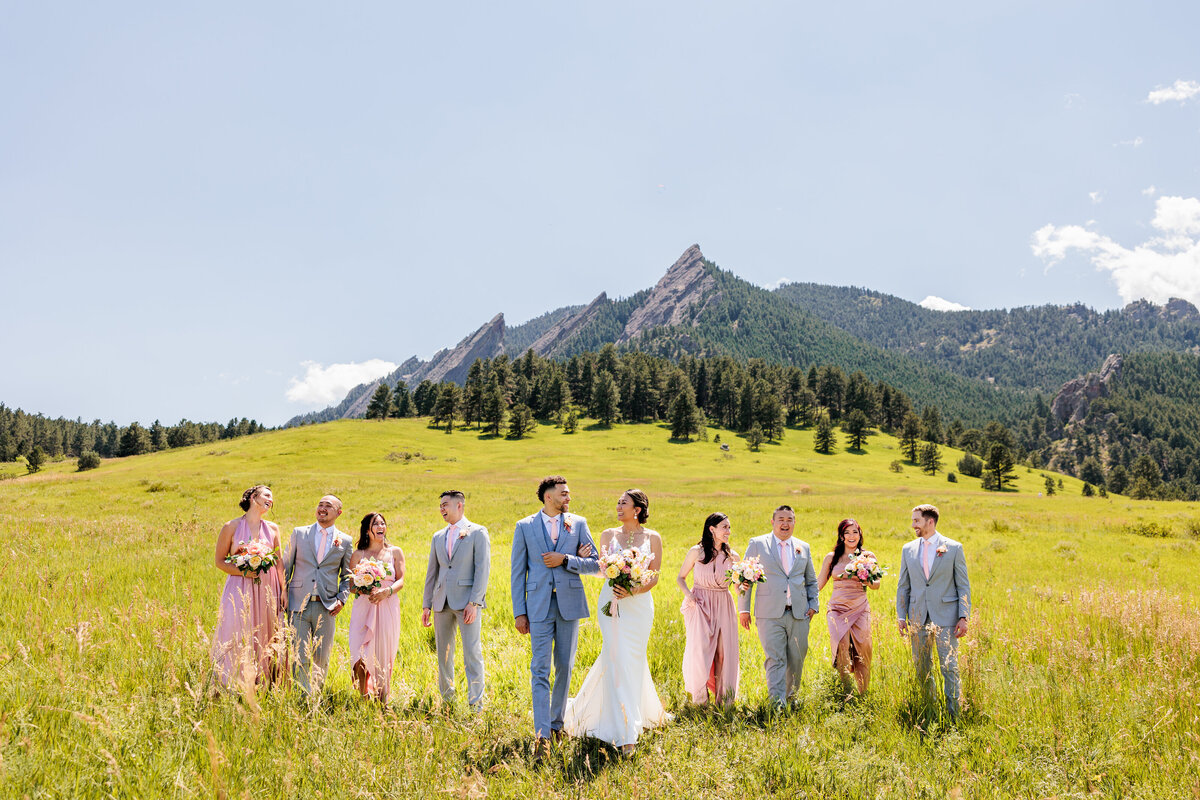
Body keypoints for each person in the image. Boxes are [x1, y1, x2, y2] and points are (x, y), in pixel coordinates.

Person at [564, 489, 670, 754]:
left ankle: (635, 710)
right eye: (618, 502)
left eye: (624, 503)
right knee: (615, 657)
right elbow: (602, 570)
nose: (618, 506)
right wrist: (588, 557)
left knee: (631, 659)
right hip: (610, 602)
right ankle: (626, 733)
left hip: (638, 606)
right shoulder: (608, 535)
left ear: (637, 509)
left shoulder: (653, 537)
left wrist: (632, 590)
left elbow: (654, 577)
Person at [510, 475, 600, 752]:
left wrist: (567, 560)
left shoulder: (579, 524)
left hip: (569, 604)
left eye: (568, 493)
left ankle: (557, 724)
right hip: (537, 605)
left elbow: (596, 564)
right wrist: (519, 612)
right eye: (563, 493)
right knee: (539, 668)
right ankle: (542, 734)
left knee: (565, 666)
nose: (568, 498)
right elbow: (517, 571)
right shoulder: (524, 526)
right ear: (548, 496)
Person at [737, 505, 819, 707]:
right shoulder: (757, 544)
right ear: (773, 522)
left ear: (794, 522)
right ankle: (777, 704)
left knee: (797, 659)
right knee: (775, 658)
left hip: (799, 613)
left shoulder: (803, 547)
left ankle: (791, 699)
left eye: (790, 519)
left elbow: (811, 580)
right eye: (781, 519)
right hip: (769, 613)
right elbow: (745, 577)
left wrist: (813, 605)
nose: (785, 523)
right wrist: (744, 609)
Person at [896, 504, 971, 719]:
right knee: (922, 668)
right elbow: (903, 585)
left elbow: (963, 585)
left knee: (950, 667)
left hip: (947, 616)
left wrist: (964, 616)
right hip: (917, 616)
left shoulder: (954, 548)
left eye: (916, 521)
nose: (913, 525)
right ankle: (930, 709)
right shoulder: (908, 549)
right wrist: (902, 616)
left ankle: (953, 714)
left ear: (930, 521)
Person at [211, 485, 286, 688]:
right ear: (254, 497)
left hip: (267, 587)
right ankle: (233, 680)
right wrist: (244, 571)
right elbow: (220, 561)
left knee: (266, 631)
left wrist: (283, 590)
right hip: (239, 585)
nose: (271, 499)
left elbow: (279, 562)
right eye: (267, 495)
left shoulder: (272, 528)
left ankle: (264, 682)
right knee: (237, 628)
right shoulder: (231, 527)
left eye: (273, 497)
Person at [421, 490, 490, 711]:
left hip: (467, 604)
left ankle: (476, 704)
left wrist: (475, 602)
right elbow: (432, 572)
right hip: (441, 603)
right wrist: (426, 605)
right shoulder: (437, 536)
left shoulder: (477, 532)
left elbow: (482, 569)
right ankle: (448, 702)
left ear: (459, 505)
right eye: (440, 505)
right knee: (444, 655)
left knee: (472, 653)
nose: (442, 508)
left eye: (445, 504)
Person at [283, 494, 353, 696]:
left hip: (327, 604)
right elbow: (286, 566)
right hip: (298, 602)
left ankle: (316, 695)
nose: (322, 508)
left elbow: (347, 576)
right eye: (320, 504)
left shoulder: (345, 541)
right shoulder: (299, 533)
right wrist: (282, 593)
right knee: (300, 653)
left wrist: (342, 598)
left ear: (338, 512)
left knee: (322, 656)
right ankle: (303, 696)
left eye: (328, 505)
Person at [676, 512, 740, 706]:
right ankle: (700, 701)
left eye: (729, 527)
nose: (728, 531)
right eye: (725, 527)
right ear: (712, 529)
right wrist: (690, 595)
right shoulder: (697, 552)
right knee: (700, 653)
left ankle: (725, 701)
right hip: (701, 605)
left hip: (724, 604)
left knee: (724, 653)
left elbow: (737, 587)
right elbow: (680, 578)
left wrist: (743, 585)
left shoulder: (733, 556)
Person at [817, 518, 880, 695]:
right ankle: (845, 691)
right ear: (841, 536)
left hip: (860, 608)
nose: (851, 536)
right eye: (847, 532)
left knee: (863, 649)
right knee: (841, 648)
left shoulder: (868, 556)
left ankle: (863, 693)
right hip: (837, 610)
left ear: (860, 535)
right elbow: (819, 584)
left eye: (855, 532)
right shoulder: (832, 558)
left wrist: (866, 578)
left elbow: (876, 584)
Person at [347, 512, 405, 702]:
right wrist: (365, 586)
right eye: (375, 524)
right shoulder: (358, 555)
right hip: (364, 606)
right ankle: (363, 697)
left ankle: (383, 698)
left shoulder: (395, 552)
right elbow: (351, 586)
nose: (381, 527)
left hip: (387, 606)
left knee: (383, 652)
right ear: (367, 530)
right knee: (359, 651)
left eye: (382, 523)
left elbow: (401, 580)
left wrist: (386, 592)